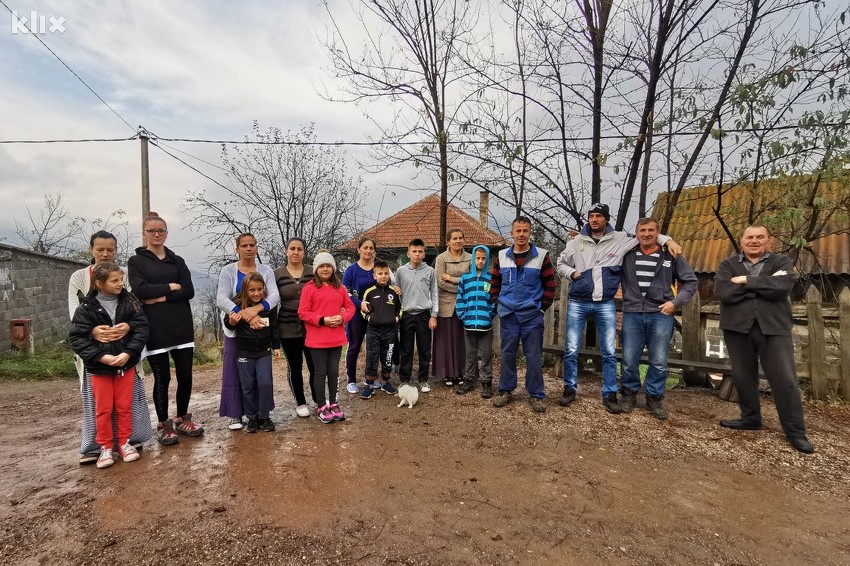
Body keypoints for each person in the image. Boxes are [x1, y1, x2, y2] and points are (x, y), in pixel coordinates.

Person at [556, 203, 679, 413]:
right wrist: (573, 274)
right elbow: (560, 263)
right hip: (579, 302)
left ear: (606, 219)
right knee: (572, 349)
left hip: (605, 303)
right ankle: (569, 388)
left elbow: (646, 235)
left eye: (599, 216)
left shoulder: (621, 239)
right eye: (592, 216)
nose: (595, 220)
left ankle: (610, 393)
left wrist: (667, 240)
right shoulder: (576, 241)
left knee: (609, 351)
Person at [714, 225, 814, 454]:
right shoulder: (728, 265)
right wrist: (763, 284)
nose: (754, 241)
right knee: (743, 376)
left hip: (774, 329)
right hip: (737, 328)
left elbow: (782, 288)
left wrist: (744, 281)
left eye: (760, 237)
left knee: (784, 380)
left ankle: (796, 432)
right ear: (741, 241)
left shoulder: (781, 263)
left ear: (769, 241)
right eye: (749, 237)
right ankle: (750, 418)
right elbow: (723, 292)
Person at [68, 231, 152, 465]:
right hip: (98, 361)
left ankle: (127, 441)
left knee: (126, 403)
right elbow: (76, 321)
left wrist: (127, 339)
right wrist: (95, 333)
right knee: (100, 405)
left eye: (110, 249)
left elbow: (140, 325)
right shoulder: (79, 281)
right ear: (91, 249)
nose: (105, 253)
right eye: (100, 249)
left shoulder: (127, 297)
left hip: (126, 358)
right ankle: (100, 446)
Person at [128, 211, 204, 445]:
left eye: (160, 230)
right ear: (144, 233)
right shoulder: (136, 262)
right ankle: (164, 424)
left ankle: (182, 418)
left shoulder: (177, 260)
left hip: (181, 326)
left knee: (185, 376)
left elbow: (188, 291)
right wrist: (171, 287)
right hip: (155, 328)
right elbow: (140, 291)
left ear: (166, 233)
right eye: (152, 230)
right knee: (163, 379)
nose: (156, 234)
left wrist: (160, 297)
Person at [619, 218, 698, 420]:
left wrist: (676, 302)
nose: (646, 234)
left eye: (651, 230)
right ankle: (629, 394)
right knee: (628, 359)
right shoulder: (626, 254)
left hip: (660, 313)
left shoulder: (670, 255)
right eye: (642, 230)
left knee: (659, 360)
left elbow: (690, 281)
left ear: (658, 233)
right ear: (636, 233)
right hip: (633, 313)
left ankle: (654, 397)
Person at [490, 217, 556, 413]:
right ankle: (505, 390)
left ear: (529, 233)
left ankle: (536, 394)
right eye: (518, 231)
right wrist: (498, 303)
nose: (521, 234)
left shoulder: (541, 256)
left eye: (525, 231)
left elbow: (550, 287)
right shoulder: (501, 256)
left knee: (533, 357)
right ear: (512, 233)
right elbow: (494, 285)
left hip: (531, 317)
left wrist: (541, 308)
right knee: (507, 354)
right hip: (509, 315)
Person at [216, 233, 280, 430]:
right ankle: (237, 414)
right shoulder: (228, 271)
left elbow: (274, 295)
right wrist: (246, 315)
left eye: (252, 244)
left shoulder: (266, 270)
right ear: (237, 249)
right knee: (238, 376)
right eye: (244, 245)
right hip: (236, 330)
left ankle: (263, 415)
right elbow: (221, 299)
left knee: (262, 379)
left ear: (256, 247)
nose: (248, 248)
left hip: (261, 335)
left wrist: (257, 310)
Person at [298, 251, 355, 423]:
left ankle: (335, 404)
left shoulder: (341, 288)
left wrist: (342, 317)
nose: (325, 269)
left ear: (333, 268)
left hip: (336, 339)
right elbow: (303, 313)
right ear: (316, 269)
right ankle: (322, 406)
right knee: (320, 373)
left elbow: (350, 307)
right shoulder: (309, 288)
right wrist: (322, 320)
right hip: (316, 340)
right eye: (321, 266)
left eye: (328, 266)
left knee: (334, 372)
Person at [224, 272, 281, 433]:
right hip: (244, 352)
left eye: (259, 289)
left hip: (264, 351)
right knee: (247, 386)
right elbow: (229, 324)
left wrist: (276, 346)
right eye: (252, 290)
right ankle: (252, 418)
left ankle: (265, 416)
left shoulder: (268, 305)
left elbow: (274, 327)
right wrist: (232, 322)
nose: (256, 293)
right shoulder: (236, 303)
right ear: (245, 290)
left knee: (265, 383)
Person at [274, 237, 315, 418]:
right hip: (287, 327)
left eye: (299, 249)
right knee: (295, 367)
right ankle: (300, 402)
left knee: (315, 366)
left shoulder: (313, 272)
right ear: (286, 251)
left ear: (304, 252)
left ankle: (319, 399)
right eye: (292, 248)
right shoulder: (277, 274)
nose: (296, 252)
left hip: (312, 327)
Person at [396, 238, 439, 392]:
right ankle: (404, 380)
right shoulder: (401, 271)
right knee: (406, 349)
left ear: (424, 254)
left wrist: (434, 314)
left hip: (423, 315)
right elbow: (396, 293)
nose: (417, 254)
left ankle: (423, 380)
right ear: (408, 253)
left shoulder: (430, 271)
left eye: (420, 251)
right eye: (414, 251)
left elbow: (434, 293)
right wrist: (397, 313)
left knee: (424, 349)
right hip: (406, 315)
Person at [454, 245, 496, 398]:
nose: (480, 261)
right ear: (473, 259)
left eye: (483, 259)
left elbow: (494, 300)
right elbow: (460, 299)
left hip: (485, 325)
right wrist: (463, 315)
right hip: (469, 324)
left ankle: (486, 382)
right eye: (477, 258)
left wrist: (490, 314)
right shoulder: (465, 279)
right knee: (470, 355)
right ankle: (469, 380)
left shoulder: (490, 279)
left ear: (487, 260)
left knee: (486, 355)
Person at [433, 228, 471, 387]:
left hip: (466, 304)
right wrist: (463, 284)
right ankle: (447, 373)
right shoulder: (441, 259)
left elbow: (472, 279)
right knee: (446, 340)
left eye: (460, 238)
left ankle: (462, 372)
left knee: (463, 341)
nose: (458, 241)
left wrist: (453, 280)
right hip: (446, 304)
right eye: (454, 238)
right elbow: (440, 283)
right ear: (448, 241)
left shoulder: (470, 258)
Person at [360, 259, 402, 399]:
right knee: (372, 357)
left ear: (389, 275)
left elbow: (400, 308)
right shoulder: (369, 292)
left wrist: (396, 319)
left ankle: (385, 382)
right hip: (373, 331)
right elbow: (363, 310)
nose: (383, 276)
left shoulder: (394, 292)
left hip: (390, 331)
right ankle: (369, 385)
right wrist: (369, 319)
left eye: (386, 273)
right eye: (380, 273)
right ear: (374, 275)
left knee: (387, 357)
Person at [342, 238, 379, 394]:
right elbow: (345, 292)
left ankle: (370, 377)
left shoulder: (378, 268)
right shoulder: (352, 270)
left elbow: (388, 283)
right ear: (359, 250)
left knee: (374, 348)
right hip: (357, 314)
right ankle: (351, 380)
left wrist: (396, 288)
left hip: (376, 314)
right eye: (365, 247)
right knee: (354, 346)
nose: (368, 251)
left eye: (371, 248)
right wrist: (360, 304)